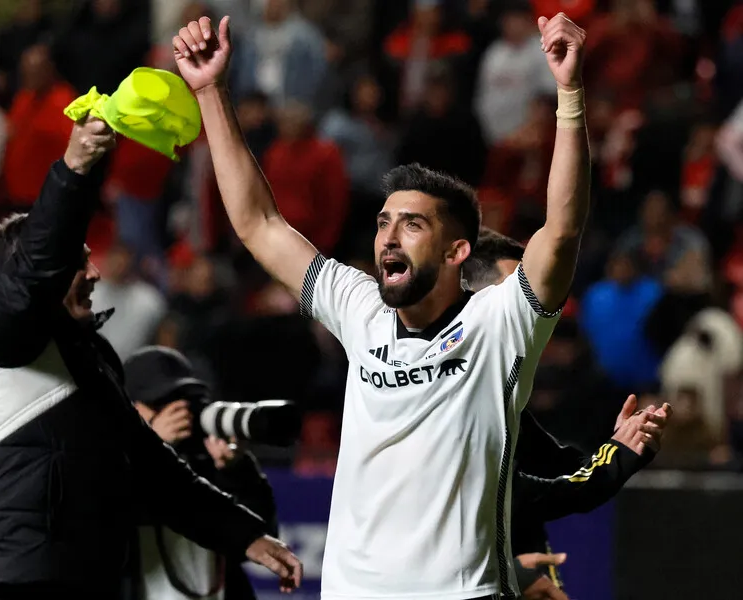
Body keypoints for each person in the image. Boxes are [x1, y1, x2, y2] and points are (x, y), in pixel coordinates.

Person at [174, 11, 589, 600]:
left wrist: (569, 94)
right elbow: (259, 224)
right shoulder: (360, 309)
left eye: (412, 225)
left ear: (456, 251)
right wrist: (210, 91)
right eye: (383, 222)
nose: (389, 237)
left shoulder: (498, 324)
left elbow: (563, 230)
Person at [0, 116, 302, 600]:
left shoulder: (94, 357)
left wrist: (244, 535)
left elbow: (153, 467)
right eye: (78, 259)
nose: (94, 272)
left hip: (85, 583)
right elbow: (24, 288)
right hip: (8, 583)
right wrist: (73, 171)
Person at [463, 227, 674, 600]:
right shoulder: (452, 392)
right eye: (515, 294)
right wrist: (511, 573)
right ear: (472, 300)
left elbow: (562, 469)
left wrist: (621, 444)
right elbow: (517, 494)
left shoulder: (505, 396)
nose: (530, 308)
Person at [124, 346, 277, 600]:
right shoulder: (111, 461)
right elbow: (115, 522)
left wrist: (236, 470)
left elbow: (262, 538)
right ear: (129, 406)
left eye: (184, 399)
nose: (178, 412)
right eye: (161, 402)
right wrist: (153, 448)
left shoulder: (207, 457)